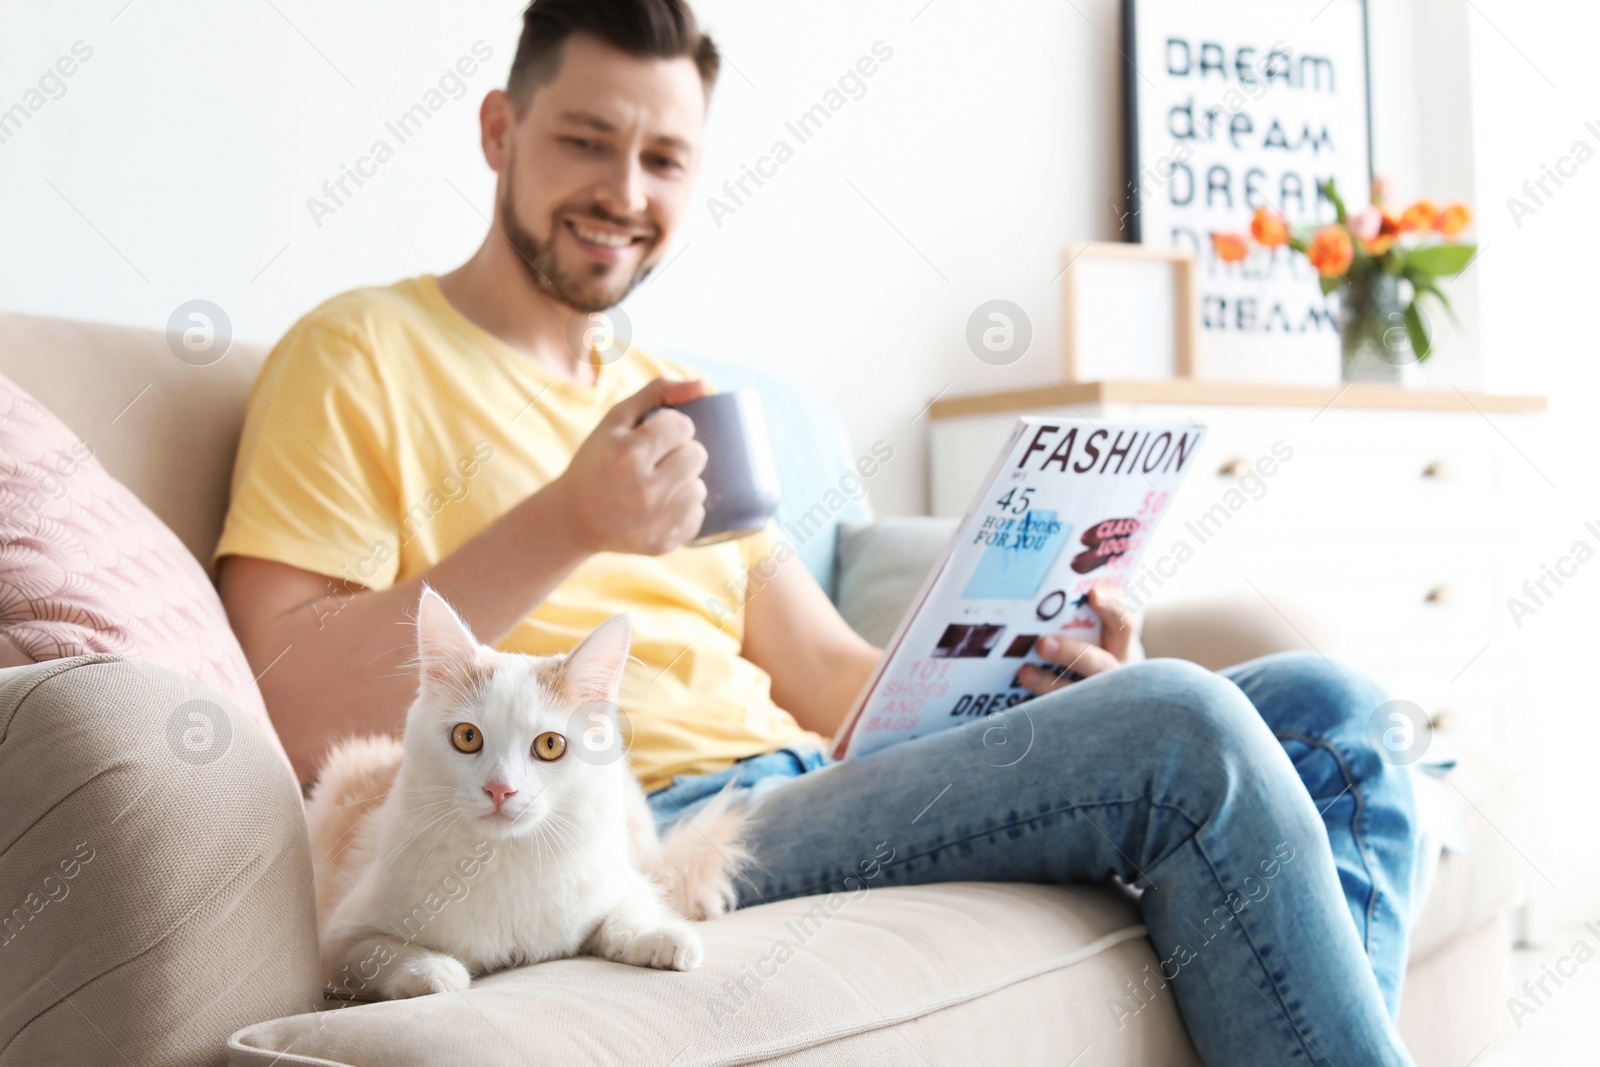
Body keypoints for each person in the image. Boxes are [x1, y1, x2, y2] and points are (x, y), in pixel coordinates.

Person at [215, 2, 1419, 1063]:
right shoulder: (356, 352)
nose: (625, 192)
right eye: (586, 139)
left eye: (665, 158)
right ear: (498, 131)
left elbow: (842, 684)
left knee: (1330, 708)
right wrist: (571, 522)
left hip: (820, 776)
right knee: (1186, 724)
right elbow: (288, 699)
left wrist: (1048, 677)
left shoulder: (684, 402)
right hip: (666, 822)